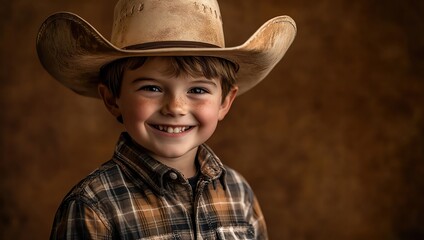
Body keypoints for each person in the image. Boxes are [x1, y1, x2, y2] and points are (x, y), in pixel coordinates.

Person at [36, 0, 296, 239]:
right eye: (151, 88)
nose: (175, 108)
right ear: (113, 99)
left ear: (225, 102)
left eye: (197, 90)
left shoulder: (239, 194)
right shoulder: (93, 206)